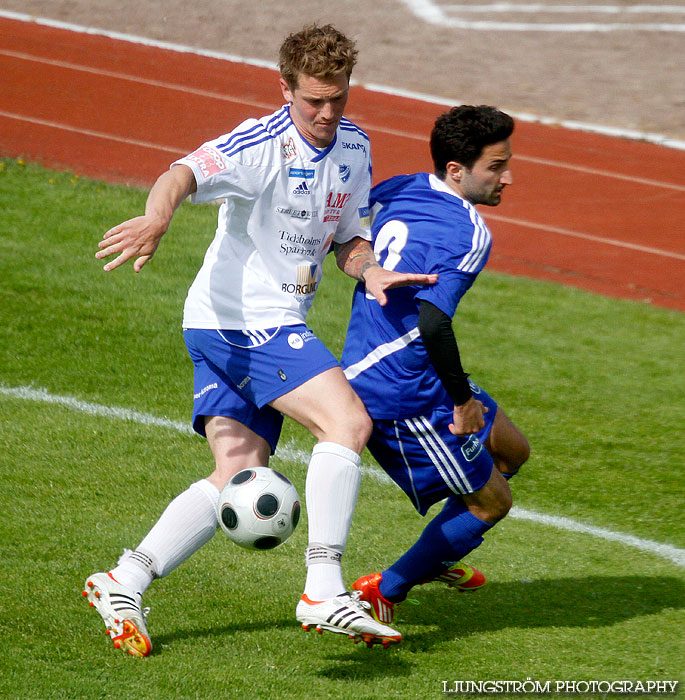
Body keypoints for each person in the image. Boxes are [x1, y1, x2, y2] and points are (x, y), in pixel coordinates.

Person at [82, 23, 436, 656]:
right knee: (347, 424)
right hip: (243, 319)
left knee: (238, 472)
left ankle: (122, 579)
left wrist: (372, 268)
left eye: (338, 98)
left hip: (244, 320)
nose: (327, 114)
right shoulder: (262, 142)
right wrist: (159, 216)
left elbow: (349, 239)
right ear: (285, 89)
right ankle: (323, 587)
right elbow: (182, 171)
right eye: (313, 102)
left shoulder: (354, 148)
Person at [340, 105, 531, 624]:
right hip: (401, 388)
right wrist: (463, 402)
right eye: (495, 166)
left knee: (513, 450)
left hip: (415, 367)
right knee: (492, 503)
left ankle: (437, 553)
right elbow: (432, 324)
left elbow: (345, 231)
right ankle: (388, 589)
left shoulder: (403, 186)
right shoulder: (471, 235)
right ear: (456, 170)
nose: (507, 177)